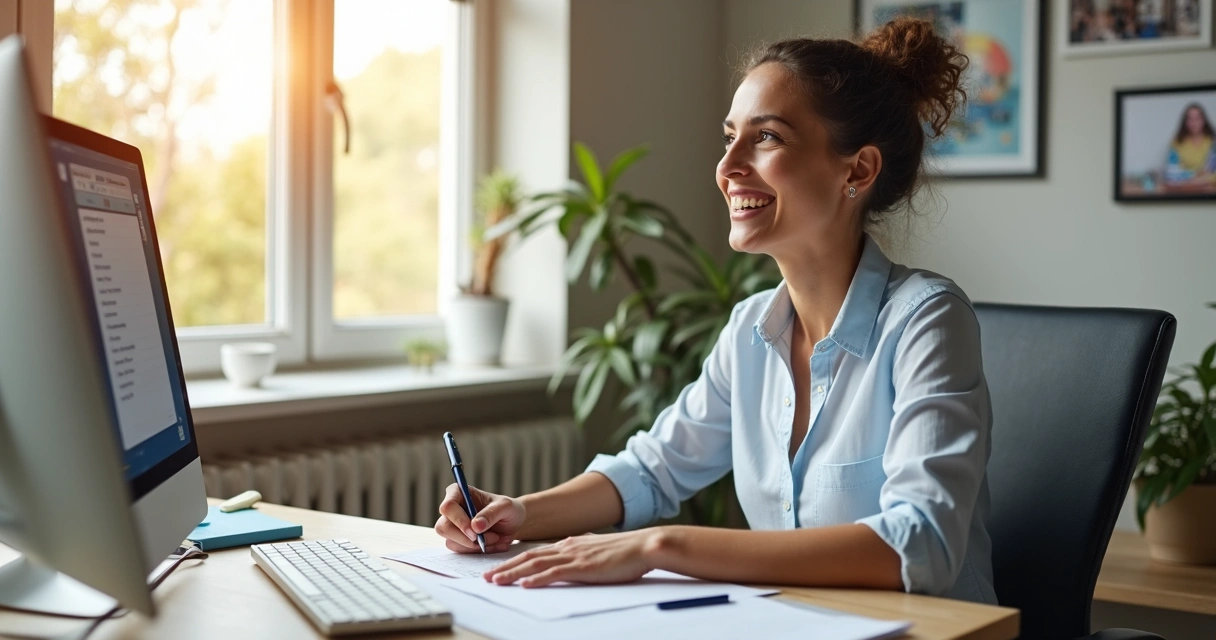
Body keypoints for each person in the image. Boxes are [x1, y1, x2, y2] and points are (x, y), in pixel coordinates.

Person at [436, 17, 997, 605]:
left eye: (767, 137)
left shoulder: (927, 322)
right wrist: (518, 514)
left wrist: (661, 547)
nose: (727, 168)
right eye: (729, 137)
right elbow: (652, 469)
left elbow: (921, 545)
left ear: (856, 170)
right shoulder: (749, 332)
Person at [1163, 103, 1216, 188]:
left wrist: (1200, 180)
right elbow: (1171, 174)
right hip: (1184, 191)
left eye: (1197, 118)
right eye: (1190, 119)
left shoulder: (1213, 143)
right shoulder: (1177, 143)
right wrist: (1195, 174)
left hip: (1209, 191)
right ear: (1185, 122)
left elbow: (1213, 172)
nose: (1194, 122)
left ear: (1204, 120)